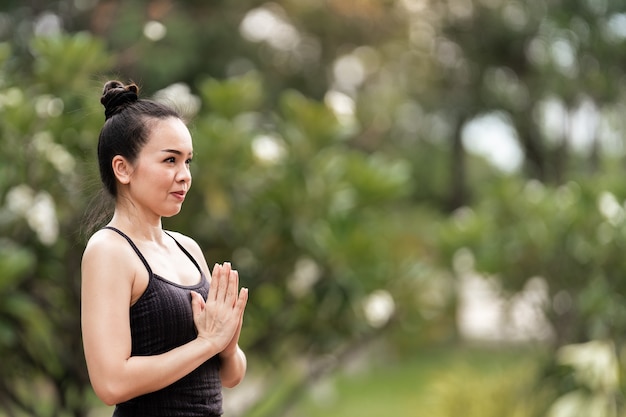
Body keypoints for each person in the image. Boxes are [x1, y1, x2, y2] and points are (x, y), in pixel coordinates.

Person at [81, 80, 249, 416]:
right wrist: (206, 344)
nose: (185, 175)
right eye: (170, 160)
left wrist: (227, 344)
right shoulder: (109, 250)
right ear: (123, 168)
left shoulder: (187, 248)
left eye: (188, 161)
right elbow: (111, 383)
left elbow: (230, 376)